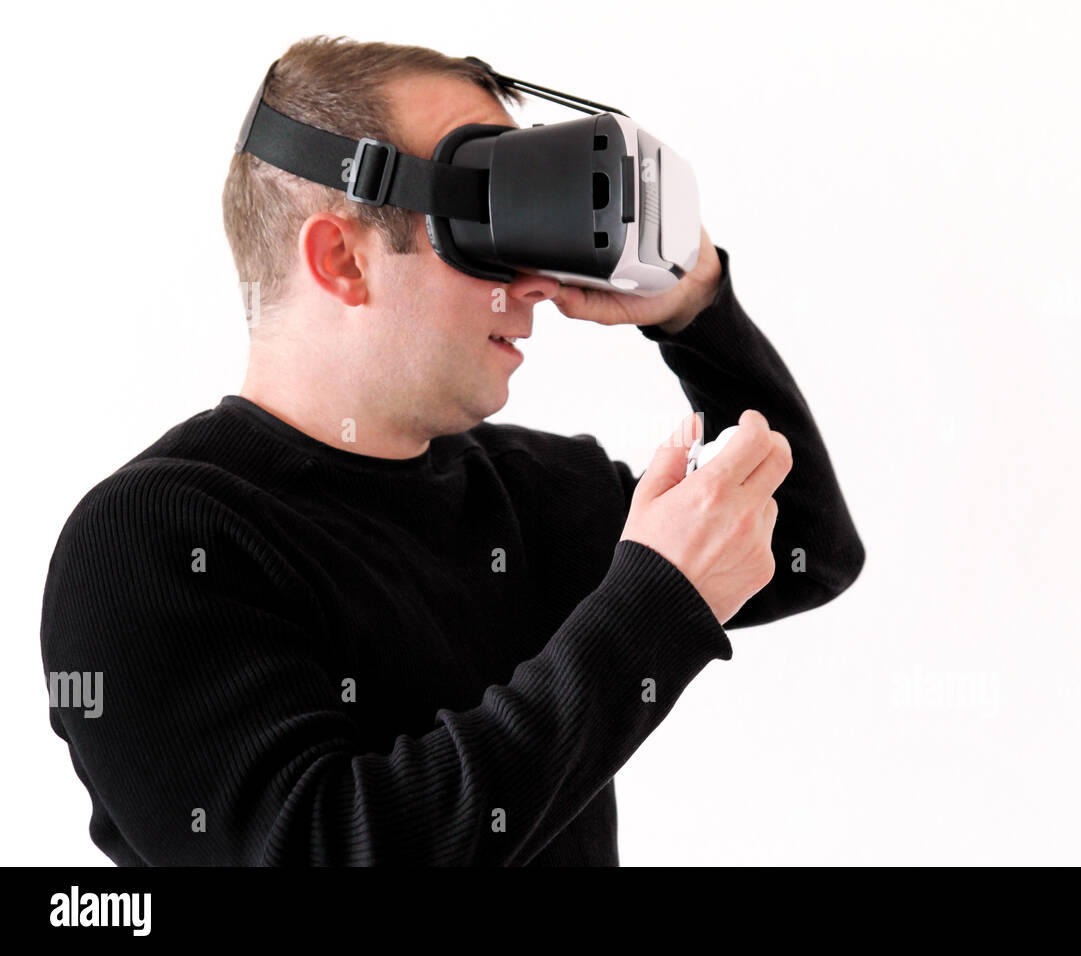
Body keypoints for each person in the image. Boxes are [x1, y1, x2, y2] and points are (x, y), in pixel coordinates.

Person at [40, 36, 865, 866]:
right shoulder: (153, 541)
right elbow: (324, 849)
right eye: (486, 220)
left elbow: (801, 546)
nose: (537, 282)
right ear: (341, 259)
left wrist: (693, 307)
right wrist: (648, 607)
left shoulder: (532, 493)